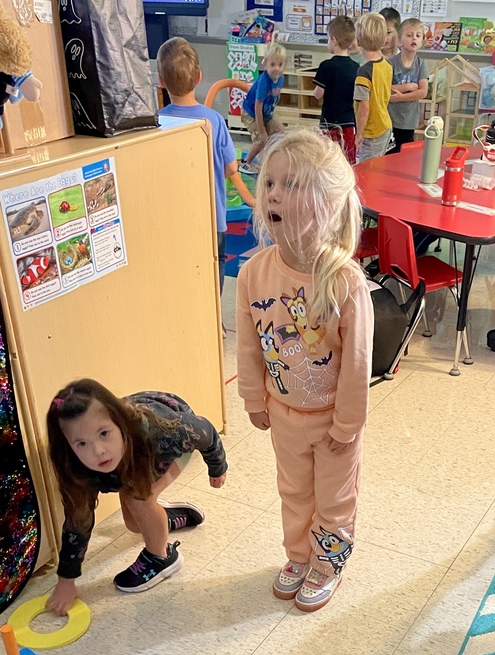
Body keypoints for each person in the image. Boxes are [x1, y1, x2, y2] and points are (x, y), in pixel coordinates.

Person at [236, 129, 373, 612]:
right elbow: (249, 343)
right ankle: (299, 556)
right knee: (293, 493)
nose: (272, 192)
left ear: (328, 204)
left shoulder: (344, 282)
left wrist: (347, 425)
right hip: (285, 415)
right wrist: (254, 399)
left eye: (291, 185)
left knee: (333, 501)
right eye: (269, 182)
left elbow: (357, 365)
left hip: (334, 422)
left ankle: (328, 561)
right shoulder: (254, 272)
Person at [46, 380, 228, 612]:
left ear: (119, 423)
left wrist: (217, 466)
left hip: (163, 443)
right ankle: (163, 518)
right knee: (134, 523)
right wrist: (66, 581)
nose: (98, 451)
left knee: (139, 499)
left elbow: (203, 430)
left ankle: (162, 558)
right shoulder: (75, 466)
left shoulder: (163, 431)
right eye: (81, 443)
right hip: (132, 457)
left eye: (104, 433)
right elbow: (78, 521)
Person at [157, 37, 254, 298]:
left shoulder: (157, 122)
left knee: (180, 265)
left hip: (172, 216)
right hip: (211, 215)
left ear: (161, 81)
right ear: (199, 77)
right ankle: (215, 320)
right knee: (215, 264)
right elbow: (231, 167)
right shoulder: (213, 120)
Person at [314, 16, 359, 164]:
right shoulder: (356, 68)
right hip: (349, 120)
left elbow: (317, 94)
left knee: (328, 158)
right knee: (347, 158)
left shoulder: (326, 66)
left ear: (334, 40)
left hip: (329, 120)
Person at [241, 43, 287, 172]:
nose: (276, 68)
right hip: (251, 113)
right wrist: (262, 131)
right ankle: (246, 163)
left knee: (282, 131)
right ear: (265, 64)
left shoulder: (281, 78)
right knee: (261, 140)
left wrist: (272, 124)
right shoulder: (263, 82)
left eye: (280, 64)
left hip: (266, 113)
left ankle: (272, 160)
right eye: (272, 64)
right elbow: (258, 107)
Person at [354, 13, 393, 163]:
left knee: (367, 170)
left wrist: (359, 134)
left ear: (358, 41)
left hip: (372, 131)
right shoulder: (387, 65)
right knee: (378, 166)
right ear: (384, 40)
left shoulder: (364, 72)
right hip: (385, 124)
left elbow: (364, 106)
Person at [387, 18, 428, 152]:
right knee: (389, 153)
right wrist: (408, 87)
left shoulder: (420, 63)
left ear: (422, 41)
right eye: (409, 35)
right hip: (390, 118)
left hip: (408, 121)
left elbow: (423, 91)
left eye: (418, 35)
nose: (414, 39)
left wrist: (400, 97)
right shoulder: (391, 63)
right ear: (400, 40)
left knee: (404, 153)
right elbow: (384, 88)